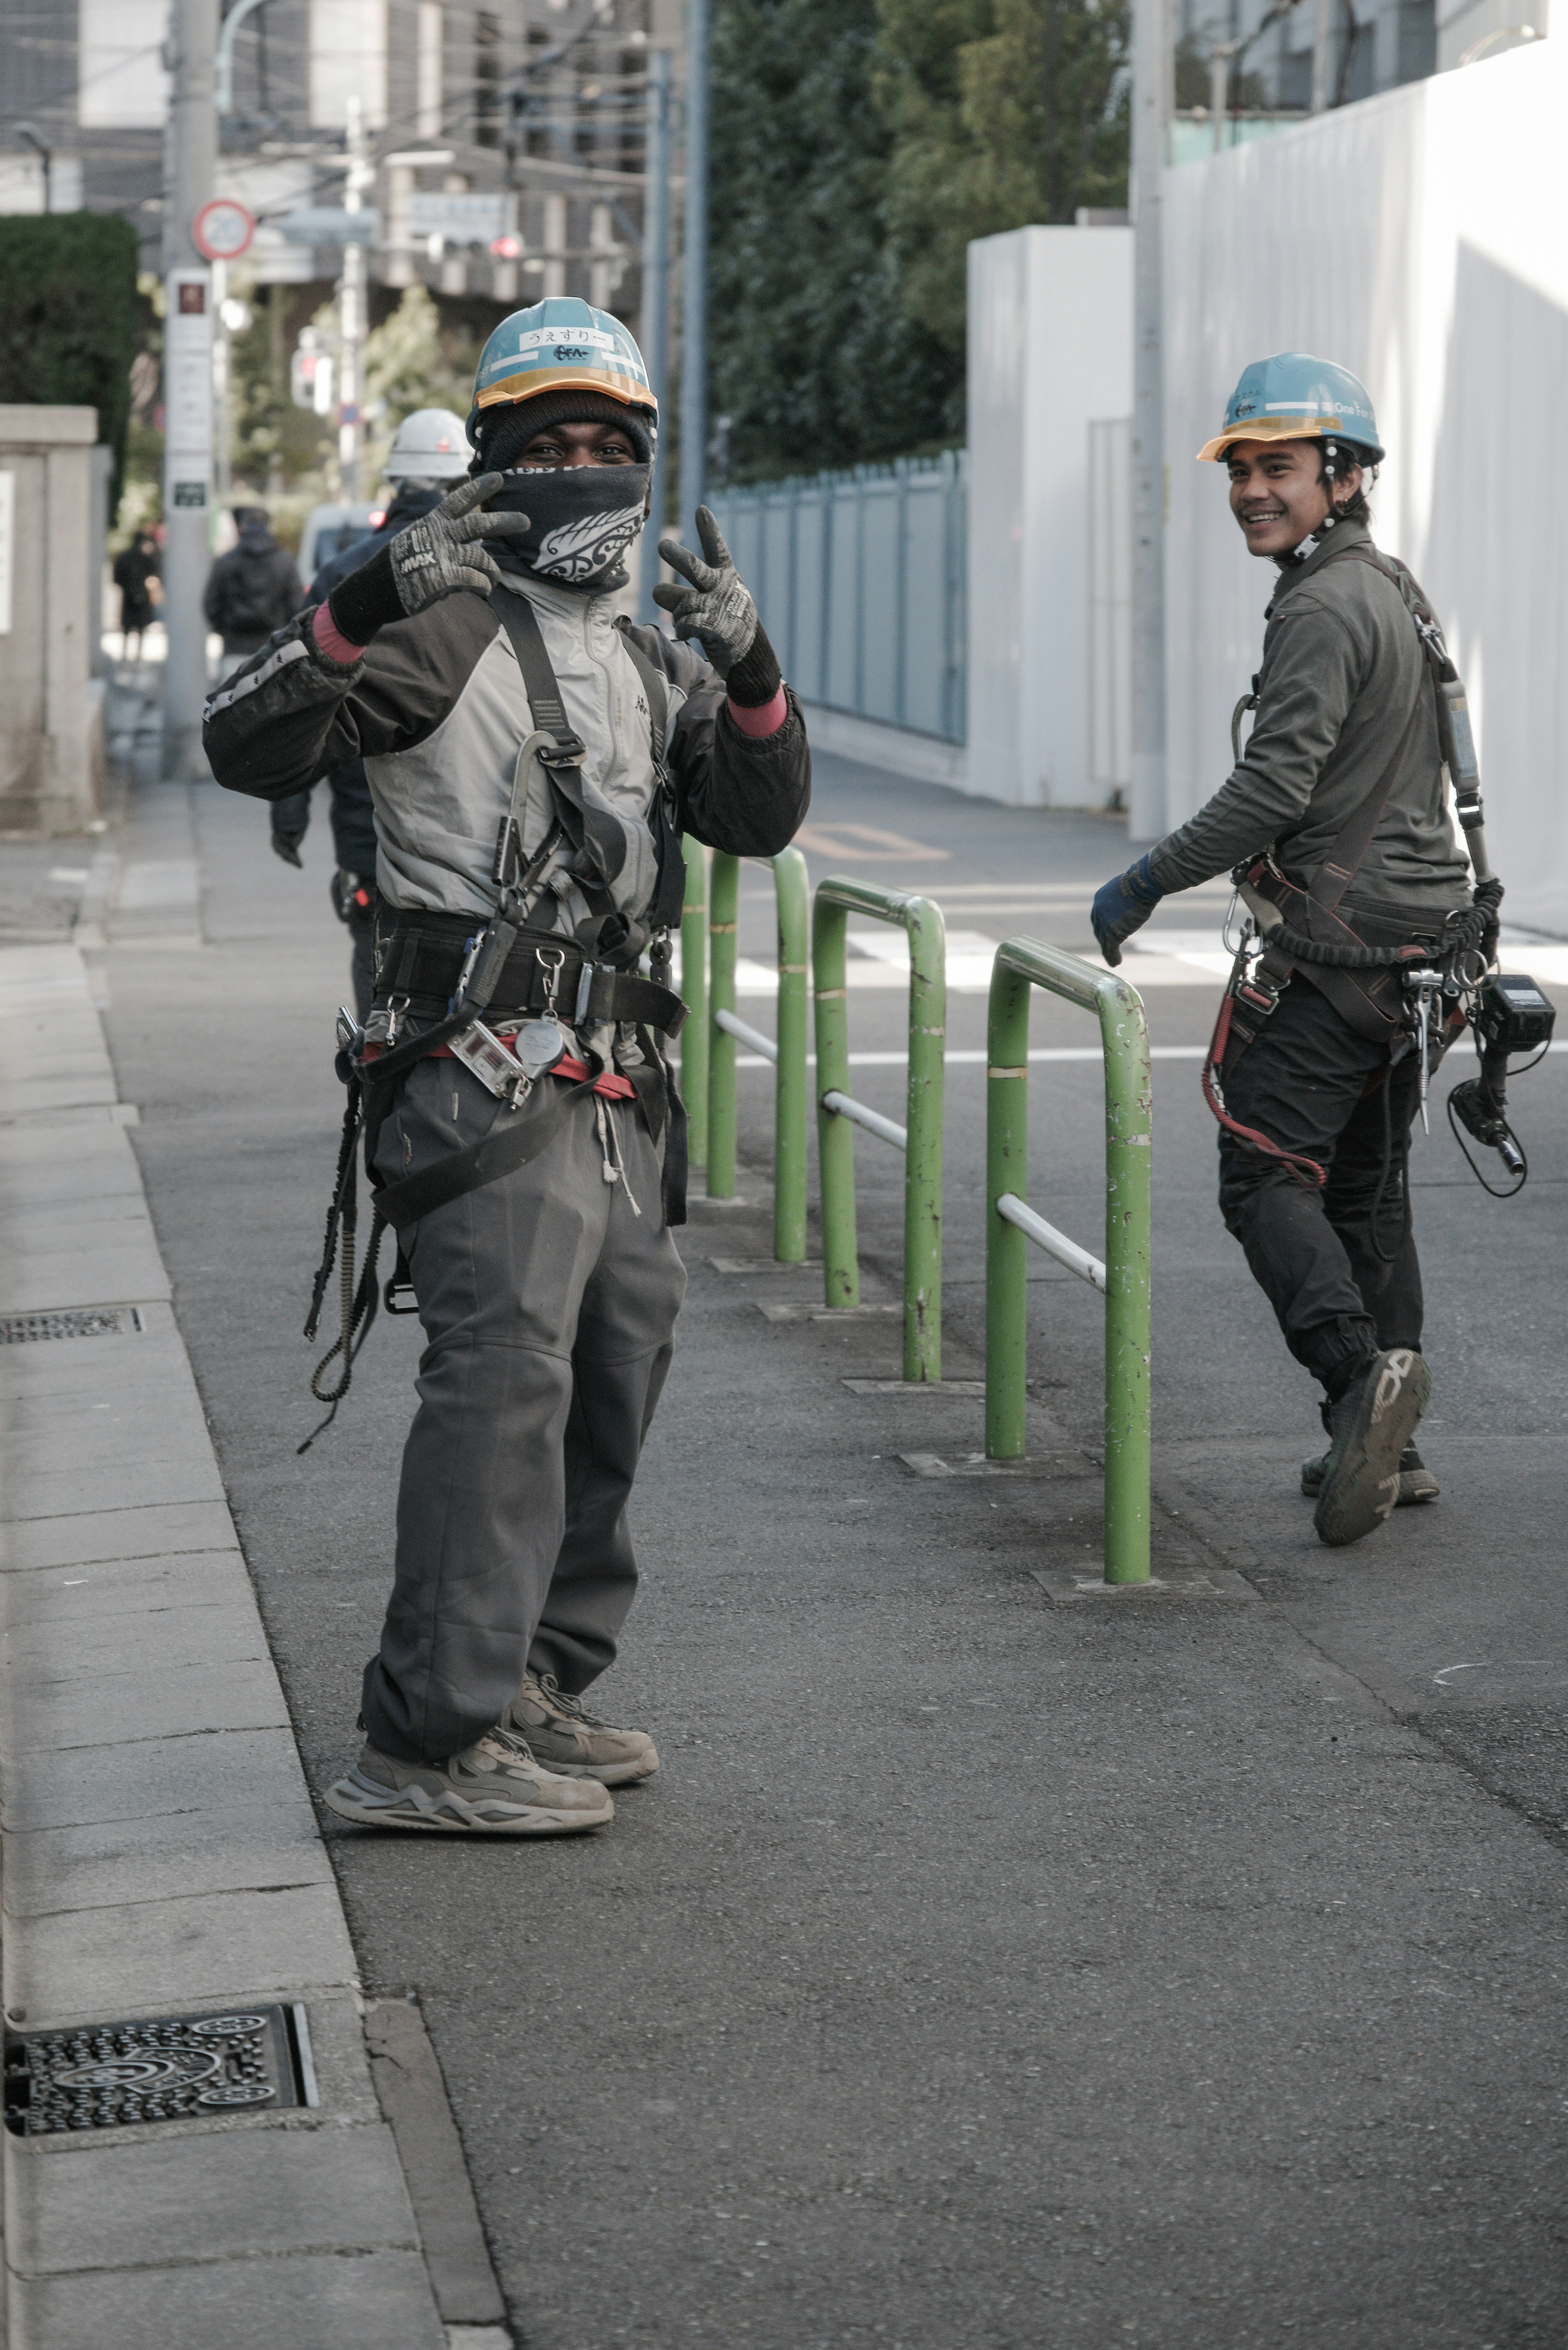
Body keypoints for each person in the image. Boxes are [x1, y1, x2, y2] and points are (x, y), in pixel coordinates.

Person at [203, 297, 809, 1836]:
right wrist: (358, 596)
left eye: (612, 446)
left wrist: (751, 673)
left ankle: (534, 1677)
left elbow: (754, 812)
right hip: (475, 1076)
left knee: (616, 1365)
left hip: (610, 1087)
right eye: (550, 448)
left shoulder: (640, 649)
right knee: (504, 1388)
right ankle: (426, 1738)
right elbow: (244, 741)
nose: (585, 472)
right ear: (491, 466)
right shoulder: (439, 627)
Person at [1090, 353, 1482, 1549]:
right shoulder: (1392, 588)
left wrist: (1145, 876)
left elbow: (1272, 784)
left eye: (1278, 467)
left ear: (1342, 474)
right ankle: (1390, 1445)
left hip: (1337, 950)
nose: (1251, 491)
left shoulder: (1318, 604)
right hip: (1424, 950)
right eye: (1241, 469)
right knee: (1362, 1194)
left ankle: (1359, 1385)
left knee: (1261, 1175)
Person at [270, 412, 476, 1021]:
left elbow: (301, 693)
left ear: (395, 482)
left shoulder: (344, 574)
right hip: (478, 804)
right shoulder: (491, 571)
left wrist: (290, 809)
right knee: (480, 955)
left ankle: (382, 1091)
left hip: (367, 809)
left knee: (378, 946)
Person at [203, 506, 303, 683]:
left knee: (231, 704)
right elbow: (297, 607)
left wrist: (225, 630)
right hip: (273, 649)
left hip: (234, 646)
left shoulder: (225, 562)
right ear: (268, 528)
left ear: (242, 528)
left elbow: (210, 604)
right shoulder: (285, 562)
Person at [112, 528, 161, 660]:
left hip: (128, 596)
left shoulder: (124, 557)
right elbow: (155, 573)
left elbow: (116, 578)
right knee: (140, 628)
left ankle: (125, 654)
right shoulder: (145, 558)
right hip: (142, 594)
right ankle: (138, 655)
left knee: (127, 629)